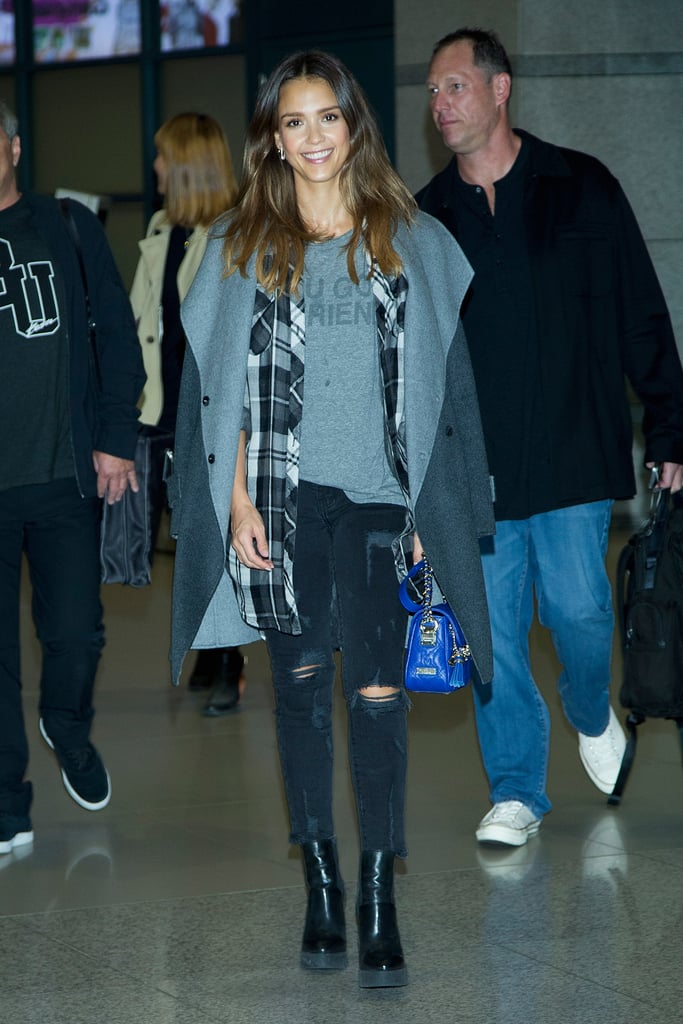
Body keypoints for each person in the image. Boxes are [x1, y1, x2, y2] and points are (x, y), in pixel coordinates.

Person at [168, 50, 494, 987]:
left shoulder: (413, 237)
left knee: (377, 694)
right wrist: (232, 499)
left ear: (353, 125)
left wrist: (439, 505)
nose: (311, 139)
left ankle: (378, 891)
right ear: (272, 136)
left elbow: (446, 389)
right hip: (280, 495)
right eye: (292, 122)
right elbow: (216, 393)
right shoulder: (241, 242)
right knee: (304, 689)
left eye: (327, 119)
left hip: (386, 498)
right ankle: (319, 884)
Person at [417, 27, 683, 847]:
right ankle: (516, 791)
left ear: (501, 90)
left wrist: (670, 421)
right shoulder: (425, 220)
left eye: (454, 87)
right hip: (478, 473)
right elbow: (416, 359)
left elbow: (639, 309)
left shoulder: (584, 188)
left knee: (577, 612)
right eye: (432, 92)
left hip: (572, 453)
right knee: (491, 641)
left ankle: (584, 706)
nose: (440, 105)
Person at [0, 101, 146, 854]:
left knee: (75, 637)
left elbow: (117, 331)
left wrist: (117, 436)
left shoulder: (65, 226)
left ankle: (68, 727)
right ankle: (5, 803)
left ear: (14, 146)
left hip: (64, 475)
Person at [130, 111, 245, 715]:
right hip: (160, 408)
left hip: (209, 415)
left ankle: (228, 660)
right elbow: (141, 323)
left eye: (163, 158)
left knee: (214, 541)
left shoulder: (232, 237)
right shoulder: (158, 227)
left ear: (187, 166)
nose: (154, 169)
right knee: (180, 536)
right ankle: (208, 650)